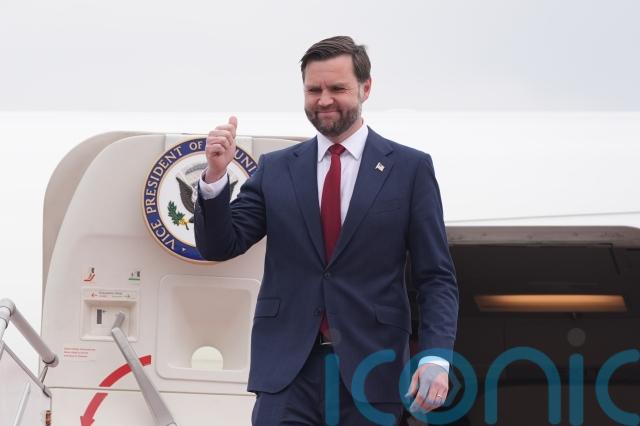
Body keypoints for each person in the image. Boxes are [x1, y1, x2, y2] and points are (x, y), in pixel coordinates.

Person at [195, 36, 458, 425]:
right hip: (287, 372)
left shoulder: (409, 169)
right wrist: (215, 178)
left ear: (366, 88)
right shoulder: (276, 168)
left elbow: (435, 276)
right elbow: (220, 245)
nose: (324, 100)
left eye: (337, 88)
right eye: (313, 90)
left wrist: (436, 356)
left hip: (373, 371)